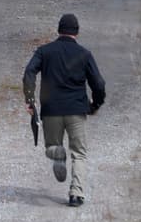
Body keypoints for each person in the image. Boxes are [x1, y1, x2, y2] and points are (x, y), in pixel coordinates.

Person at [23, 13, 106, 207]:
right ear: (77, 32)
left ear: (59, 30)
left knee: (52, 147)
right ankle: (76, 194)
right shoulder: (84, 54)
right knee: (79, 153)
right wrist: (95, 105)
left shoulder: (44, 51)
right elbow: (99, 84)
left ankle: (58, 156)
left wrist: (29, 99)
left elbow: (29, 72)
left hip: (51, 110)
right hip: (76, 110)